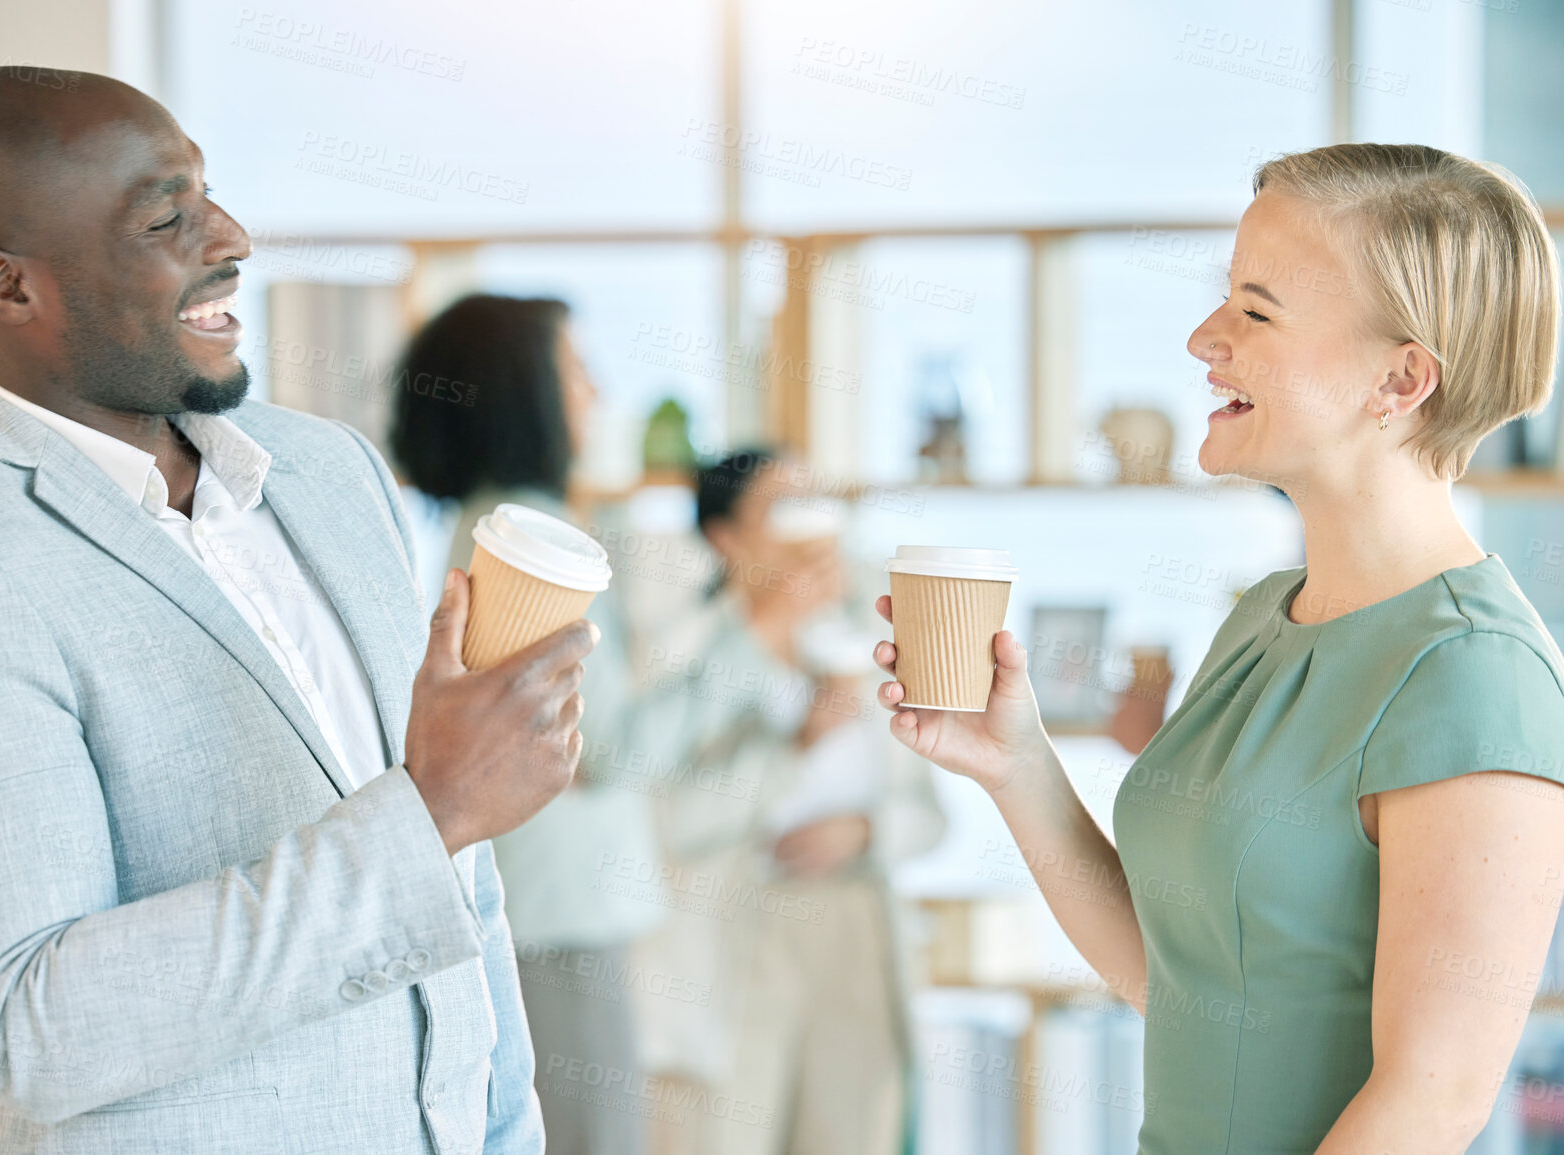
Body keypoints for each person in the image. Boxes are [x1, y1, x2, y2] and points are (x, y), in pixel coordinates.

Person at [0, 69, 590, 1154]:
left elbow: (462, 908)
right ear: (8, 288)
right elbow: (35, 1028)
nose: (231, 237)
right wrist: (431, 819)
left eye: (210, 194)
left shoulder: (331, 474)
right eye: (165, 218)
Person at [875, 143, 1564, 1154]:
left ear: (1402, 377)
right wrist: (1013, 764)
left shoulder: (1474, 674)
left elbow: (1431, 1101)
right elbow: (1183, 985)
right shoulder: (1264, 621)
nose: (1206, 338)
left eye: (1257, 310)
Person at [391, 293, 663, 1155]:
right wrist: (749, 635)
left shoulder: (492, 526)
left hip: (545, 902)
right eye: (574, 370)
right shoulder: (534, 542)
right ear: (522, 392)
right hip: (554, 912)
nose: (595, 392)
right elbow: (609, 743)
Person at [635, 450, 944, 1155]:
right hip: (737, 926)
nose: (812, 525)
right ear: (725, 538)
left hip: (856, 923)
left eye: (817, 501)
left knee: (853, 1130)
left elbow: (928, 815)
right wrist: (793, 747)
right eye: (782, 506)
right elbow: (670, 819)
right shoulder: (686, 647)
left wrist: (864, 830)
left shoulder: (880, 642)